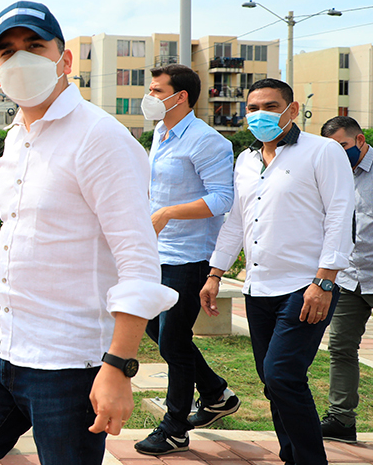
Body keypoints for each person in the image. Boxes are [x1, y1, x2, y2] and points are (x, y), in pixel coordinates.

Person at [0, 1, 177, 465]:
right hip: (1, 349)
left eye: (34, 46)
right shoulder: (16, 137)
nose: (20, 58)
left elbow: (139, 260)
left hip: (70, 366)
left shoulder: (99, 138)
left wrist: (119, 367)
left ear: (64, 61)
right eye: (7, 51)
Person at [202, 79, 354, 465]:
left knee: (282, 374)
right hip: (258, 288)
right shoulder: (246, 160)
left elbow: (340, 214)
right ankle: (292, 453)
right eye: (253, 108)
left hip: (306, 285)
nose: (259, 114)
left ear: (292, 108)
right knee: (274, 383)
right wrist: (216, 272)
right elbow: (236, 221)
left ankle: (308, 460)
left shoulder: (322, 151)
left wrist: (325, 279)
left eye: (270, 106)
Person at [134, 64, 240, 456]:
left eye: (157, 90)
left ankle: (175, 427)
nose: (150, 96)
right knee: (153, 330)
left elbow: (221, 199)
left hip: (189, 256)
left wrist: (167, 214)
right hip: (156, 252)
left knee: (173, 343)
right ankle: (215, 393)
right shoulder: (161, 134)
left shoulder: (206, 140)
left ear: (181, 97)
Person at [319, 115, 371, 444]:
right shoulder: (330, 174)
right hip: (348, 277)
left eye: (343, 147)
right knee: (340, 348)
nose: (339, 154)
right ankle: (340, 419)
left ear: (360, 141)